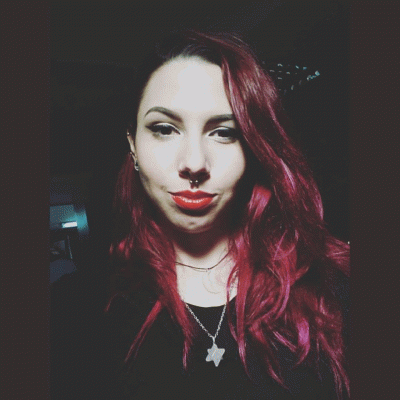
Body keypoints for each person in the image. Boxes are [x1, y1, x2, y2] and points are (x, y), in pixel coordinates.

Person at [104, 30, 349, 399]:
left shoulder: (330, 285)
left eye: (223, 132)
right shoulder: (83, 312)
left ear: (253, 147)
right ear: (133, 144)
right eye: (164, 129)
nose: (194, 163)